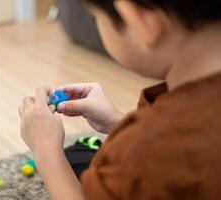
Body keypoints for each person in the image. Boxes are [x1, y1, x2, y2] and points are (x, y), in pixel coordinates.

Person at [18, 0, 221, 199]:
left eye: (97, 18)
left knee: (70, 164)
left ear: (141, 20)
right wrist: (119, 123)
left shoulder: (138, 149)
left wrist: (46, 150)